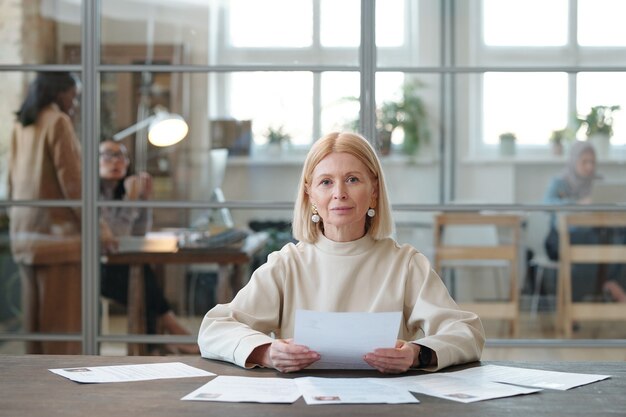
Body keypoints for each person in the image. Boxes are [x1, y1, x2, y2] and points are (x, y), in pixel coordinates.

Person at [198, 131, 485, 373]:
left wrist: (417, 354)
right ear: (310, 195)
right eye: (326, 182)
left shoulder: (405, 264)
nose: (339, 193)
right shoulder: (287, 263)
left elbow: (467, 332)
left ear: (374, 190)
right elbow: (214, 328)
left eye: (352, 179)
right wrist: (265, 352)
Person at [99, 139, 199, 354]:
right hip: (97, 268)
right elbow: (117, 237)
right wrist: (131, 200)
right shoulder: (93, 196)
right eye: (108, 155)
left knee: (142, 274)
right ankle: (170, 330)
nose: (115, 161)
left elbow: (139, 233)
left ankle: (158, 341)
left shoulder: (122, 190)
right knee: (141, 277)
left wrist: (145, 199)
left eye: (121, 156)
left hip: (119, 264)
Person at [8, 72, 83, 354]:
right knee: (61, 328)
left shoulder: (22, 124)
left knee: (34, 325)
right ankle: (62, 391)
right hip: (57, 240)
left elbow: (12, 179)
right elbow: (73, 185)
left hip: (26, 235)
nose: (73, 104)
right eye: (73, 96)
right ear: (59, 92)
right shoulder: (58, 122)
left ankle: (37, 389)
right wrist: (99, 229)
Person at [543, 140, 626, 302]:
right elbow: (546, 205)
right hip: (561, 237)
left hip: (596, 234)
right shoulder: (559, 182)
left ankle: (615, 283)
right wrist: (578, 204)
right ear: (574, 160)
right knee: (592, 245)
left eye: (592, 162)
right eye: (584, 162)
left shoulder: (599, 182)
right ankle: (578, 299)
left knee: (618, 238)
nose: (589, 166)